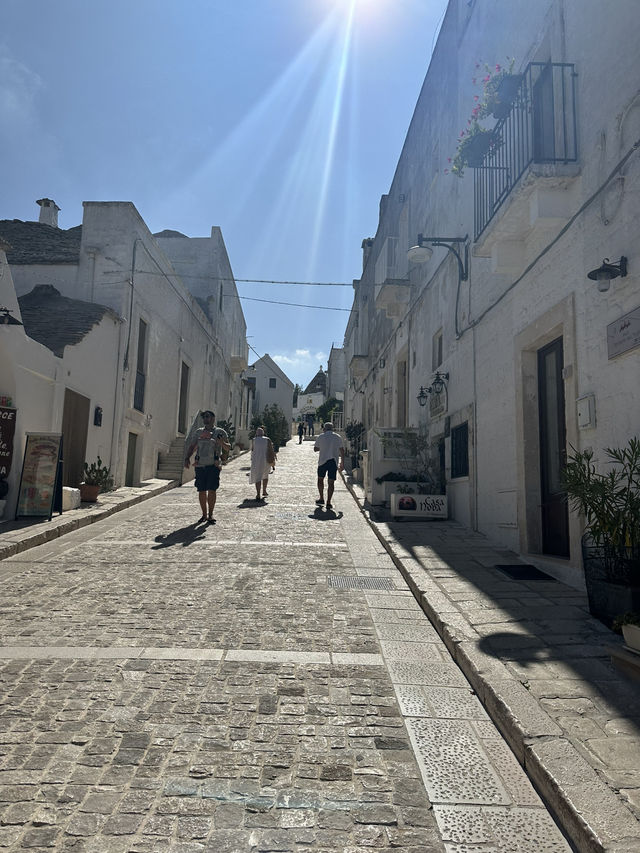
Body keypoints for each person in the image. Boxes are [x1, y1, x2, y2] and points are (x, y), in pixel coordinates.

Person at [184, 410, 230, 523]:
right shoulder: (198, 432)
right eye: (204, 417)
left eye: (207, 417)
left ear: (213, 418)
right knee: (202, 490)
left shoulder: (220, 432)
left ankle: (210, 514)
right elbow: (192, 446)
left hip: (213, 465)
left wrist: (221, 443)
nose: (205, 419)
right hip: (200, 465)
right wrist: (187, 458)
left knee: (212, 490)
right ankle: (204, 514)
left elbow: (228, 447)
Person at [313, 422, 344, 510]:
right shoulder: (337, 437)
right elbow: (342, 450)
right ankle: (329, 502)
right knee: (331, 482)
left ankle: (321, 498)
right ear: (332, 428)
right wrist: (342, 463)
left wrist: (322, 447)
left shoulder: (321, 436)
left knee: (320, 479)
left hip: (322, 461)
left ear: (324, 429)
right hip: (333, 462)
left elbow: (315, 449)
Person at [250, 426, 275, 500]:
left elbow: (252, 449)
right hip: (266, 460)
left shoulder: (254, 440)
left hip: (257, 461)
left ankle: (258, 494)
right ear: (263, 433)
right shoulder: (267, 440)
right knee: (265, 476)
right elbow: (271, 450)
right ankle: (264, 490)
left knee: (258, 477)